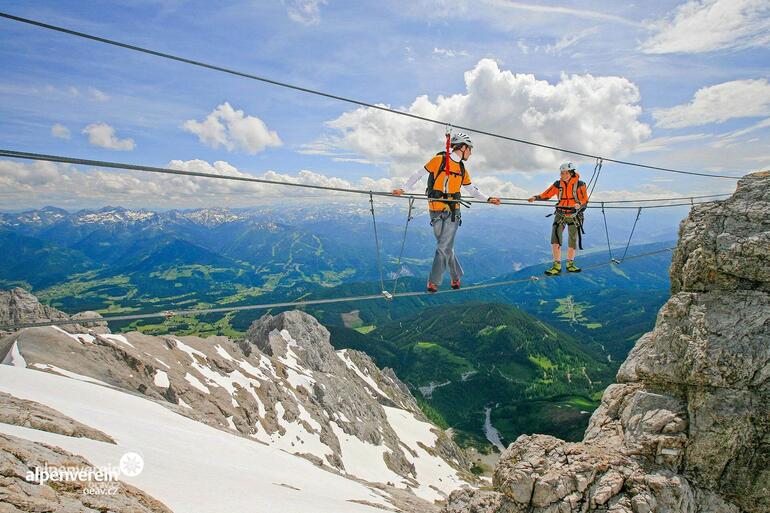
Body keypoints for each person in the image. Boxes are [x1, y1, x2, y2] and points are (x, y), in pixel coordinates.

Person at [393, 132, 501, 293]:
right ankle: (456, 275)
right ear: (463, 147)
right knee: (446, 246)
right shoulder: (439, 160)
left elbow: (471, 190)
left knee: (443, 246)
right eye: (470, 149)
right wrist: (404, 189)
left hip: (453, 211)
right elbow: (419, 174)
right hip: (435, 209)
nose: (471, 153)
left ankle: (433, 282)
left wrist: (488, 199)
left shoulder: (462, 169)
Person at [528, 162, 588, 275]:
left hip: (575, 214)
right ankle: (557, 266)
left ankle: (570, 264)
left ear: (571, 173)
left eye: (566, 173)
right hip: (560, 213)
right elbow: (547, 194)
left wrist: (579, 204)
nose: (563, 175)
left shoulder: (580, 184)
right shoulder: (557, 184)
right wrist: (535, 197)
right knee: (555, 239)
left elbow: (585, 199)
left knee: (572, 239)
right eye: (562, 173)